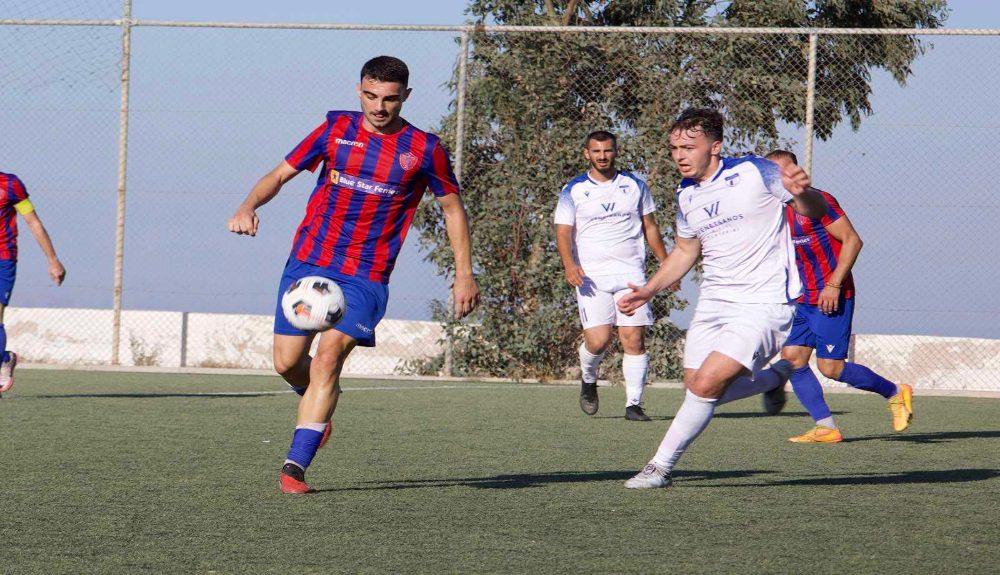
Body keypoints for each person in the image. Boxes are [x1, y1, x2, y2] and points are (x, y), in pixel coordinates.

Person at [228, 56, 480, 494]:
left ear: (406, 96)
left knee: (328, 359)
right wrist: (248, 206)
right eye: (370, 96)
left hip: (366, 274)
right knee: (286, 363)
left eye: (390, 99)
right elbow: (280, 174)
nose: (379, 107)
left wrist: (464, 274)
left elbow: (452, 209)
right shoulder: (335, 129)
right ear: (358, 90)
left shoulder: (424, 149)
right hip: (309, 262)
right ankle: (320, 405)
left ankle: (294, 467)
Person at [616, 108, 827, 489]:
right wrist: (649, 289)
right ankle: (774, 378)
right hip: (714, 303)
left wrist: (803, 193)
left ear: (715, 147)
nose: (679, 155)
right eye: (674, 148)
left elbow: (815, 211)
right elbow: (685, 250)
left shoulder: (755, 171)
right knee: (696, 385)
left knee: (705, 386)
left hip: (763, 303)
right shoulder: (685, 193)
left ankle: (658, 468)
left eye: (688, 147)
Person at [765, 150, 912, 443]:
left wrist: (833, 284)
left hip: (832, 294)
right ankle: (826, 427)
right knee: (793, 359)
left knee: (830, 368)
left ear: (795, 171)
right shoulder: (775, 210)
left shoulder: (819, 201)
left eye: (782, 172)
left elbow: (853, 240)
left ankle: (895, 392)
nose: (776, 179)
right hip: (802, 298)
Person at [554, 131, 670, 421]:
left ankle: (634, 405)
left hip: (631, 273)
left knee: (633, 339)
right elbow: (563, 232)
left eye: (607, 150)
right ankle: (588, 378)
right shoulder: (574, 189)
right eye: (596, 151)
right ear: (587, 154)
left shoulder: (634, 185)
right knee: (599, 341)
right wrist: (569, 264)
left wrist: (667, 264)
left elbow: (650, 227)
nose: (602, 156)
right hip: (591, 277)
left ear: (616, 152)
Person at [0, 172, 66, 398]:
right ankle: (4, 358)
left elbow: (33, 222)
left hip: (3, 258)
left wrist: (52, 259)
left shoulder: (11, 184)